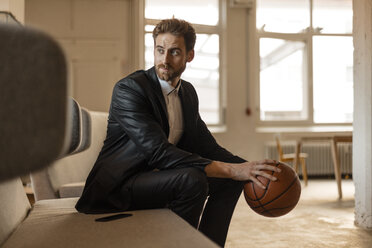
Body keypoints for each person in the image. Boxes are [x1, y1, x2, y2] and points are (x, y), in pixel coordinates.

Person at [76, 18, 280, 247]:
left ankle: (208, 244)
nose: (164, 60)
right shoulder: (130, 89)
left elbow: (206, 145)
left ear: (189, 55)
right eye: (160, 50)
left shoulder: (188, 93)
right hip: (119, 187)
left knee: (230, 180)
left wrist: (248, 168)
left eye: (174, 52)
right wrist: (232, 170)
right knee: (192, 180)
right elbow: (158, 152)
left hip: (159, 179)